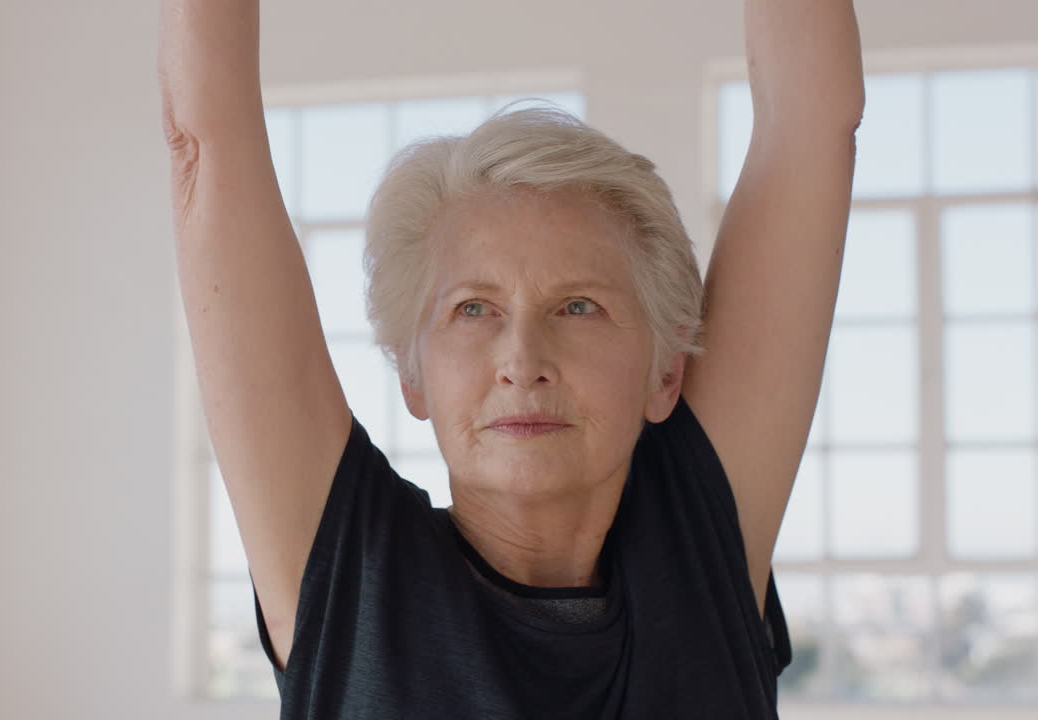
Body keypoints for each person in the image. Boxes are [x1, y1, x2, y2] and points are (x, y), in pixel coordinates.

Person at [157, 0, 864, 717]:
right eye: (474, 309)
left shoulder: (700, 541)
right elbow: (201, 145)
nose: (522, 360)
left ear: (667, 372)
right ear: (411, 374)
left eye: (578, 307)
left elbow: (809, 120)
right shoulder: (349, 572)